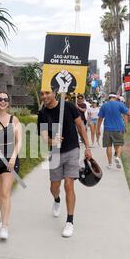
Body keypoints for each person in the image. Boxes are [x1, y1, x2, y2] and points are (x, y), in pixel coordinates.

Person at [38, 91, 92, 238]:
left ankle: (70, 221)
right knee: (54, 187)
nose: (44, 96)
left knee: (69, 184)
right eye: (42, 94)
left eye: (47, 93)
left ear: (54, 93)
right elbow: (44, 137)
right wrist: (52, 141)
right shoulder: (42, 113)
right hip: (55, 153)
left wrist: (87, 147)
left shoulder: (68, 107)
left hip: (72, 150)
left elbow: (81, 127)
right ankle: (57, 200)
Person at [0, 92, 22, 241]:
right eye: (0, 99)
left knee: (6, 193)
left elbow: (19, 141)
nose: (3, 102)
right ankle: (2, 217)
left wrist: (13, 157)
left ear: (8, 103)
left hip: (10, 160)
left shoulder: (14, 120)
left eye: (6, 100)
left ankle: (5, 226)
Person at [96, 93, 130, 170]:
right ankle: (117, 157)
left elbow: (100, 119)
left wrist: (98, 129)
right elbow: (129, 113)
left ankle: (110, 164)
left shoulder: (104, 106)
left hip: (107, 128)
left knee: (108, 146)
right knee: (119, 144)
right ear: (115, 98)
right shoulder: (119, 104)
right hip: (119, 128)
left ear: (109, 97)